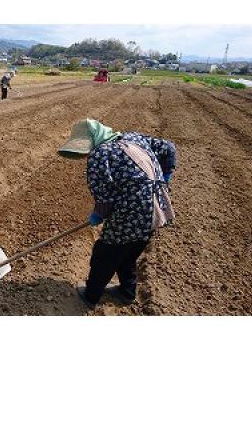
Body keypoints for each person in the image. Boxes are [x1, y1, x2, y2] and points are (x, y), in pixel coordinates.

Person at [58, 118, 177, 309]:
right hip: (157, 209)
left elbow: (105, 199)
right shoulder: (134, 137)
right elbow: (168, 147)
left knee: (104, 254)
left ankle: (90, 296)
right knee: (129, 253)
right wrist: (166, 175)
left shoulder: (100, 155)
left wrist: (99, 214)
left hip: (130, 215)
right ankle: (126, 292)